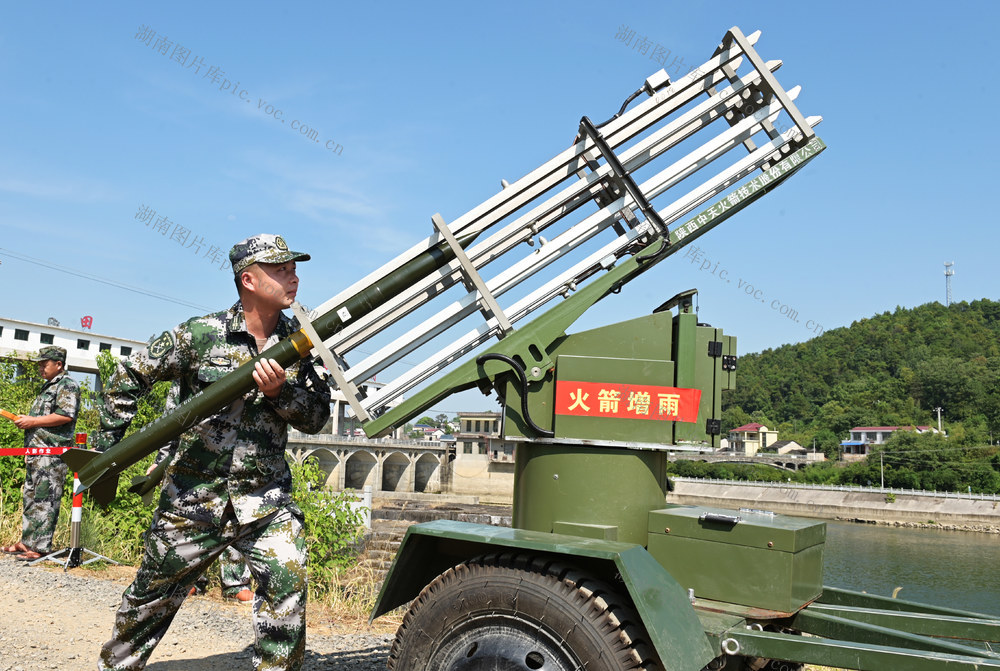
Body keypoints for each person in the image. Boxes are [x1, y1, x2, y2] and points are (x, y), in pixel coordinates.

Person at [96, 234, 331, 671]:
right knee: (147, 603)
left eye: (294, 269)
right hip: (192, 499)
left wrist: (282, 394)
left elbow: (317, 415)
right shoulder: (200, 335)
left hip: (265, 501)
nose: (293, 277)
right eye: (281, 270)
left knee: (288, 586)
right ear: (249, 280)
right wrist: (108, 449)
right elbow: (132, 372)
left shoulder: (301, 346)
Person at [1, 346, 80, 561]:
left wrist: (33, 421)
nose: (40, 368)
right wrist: (27, 421)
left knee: (46, 499)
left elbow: (66, 416)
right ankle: (27, 542)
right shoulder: (48, 386)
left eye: (44, 364)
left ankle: (41, 547)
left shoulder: (67, 385)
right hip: (36, 452)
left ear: (59, 364)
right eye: (39, 364)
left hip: (52, 454)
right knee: (30, 497)